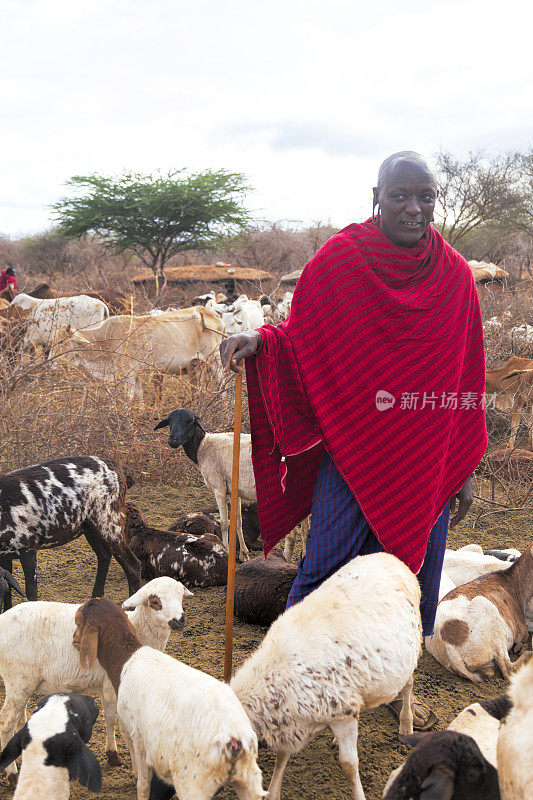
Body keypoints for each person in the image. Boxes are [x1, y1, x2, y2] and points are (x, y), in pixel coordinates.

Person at [220, 151, 487, 729]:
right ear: (375, 196)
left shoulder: (455, 276)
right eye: (400, 196)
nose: (414, 209)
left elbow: (465, 378)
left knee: (412, 579)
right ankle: (282, 689)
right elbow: (301, 336)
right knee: (322, 572)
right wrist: (261, 341)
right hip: (354, 454)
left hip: (425, 464)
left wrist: (461, 469)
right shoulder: (341, 262)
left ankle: (390, 690)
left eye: (425, 197)